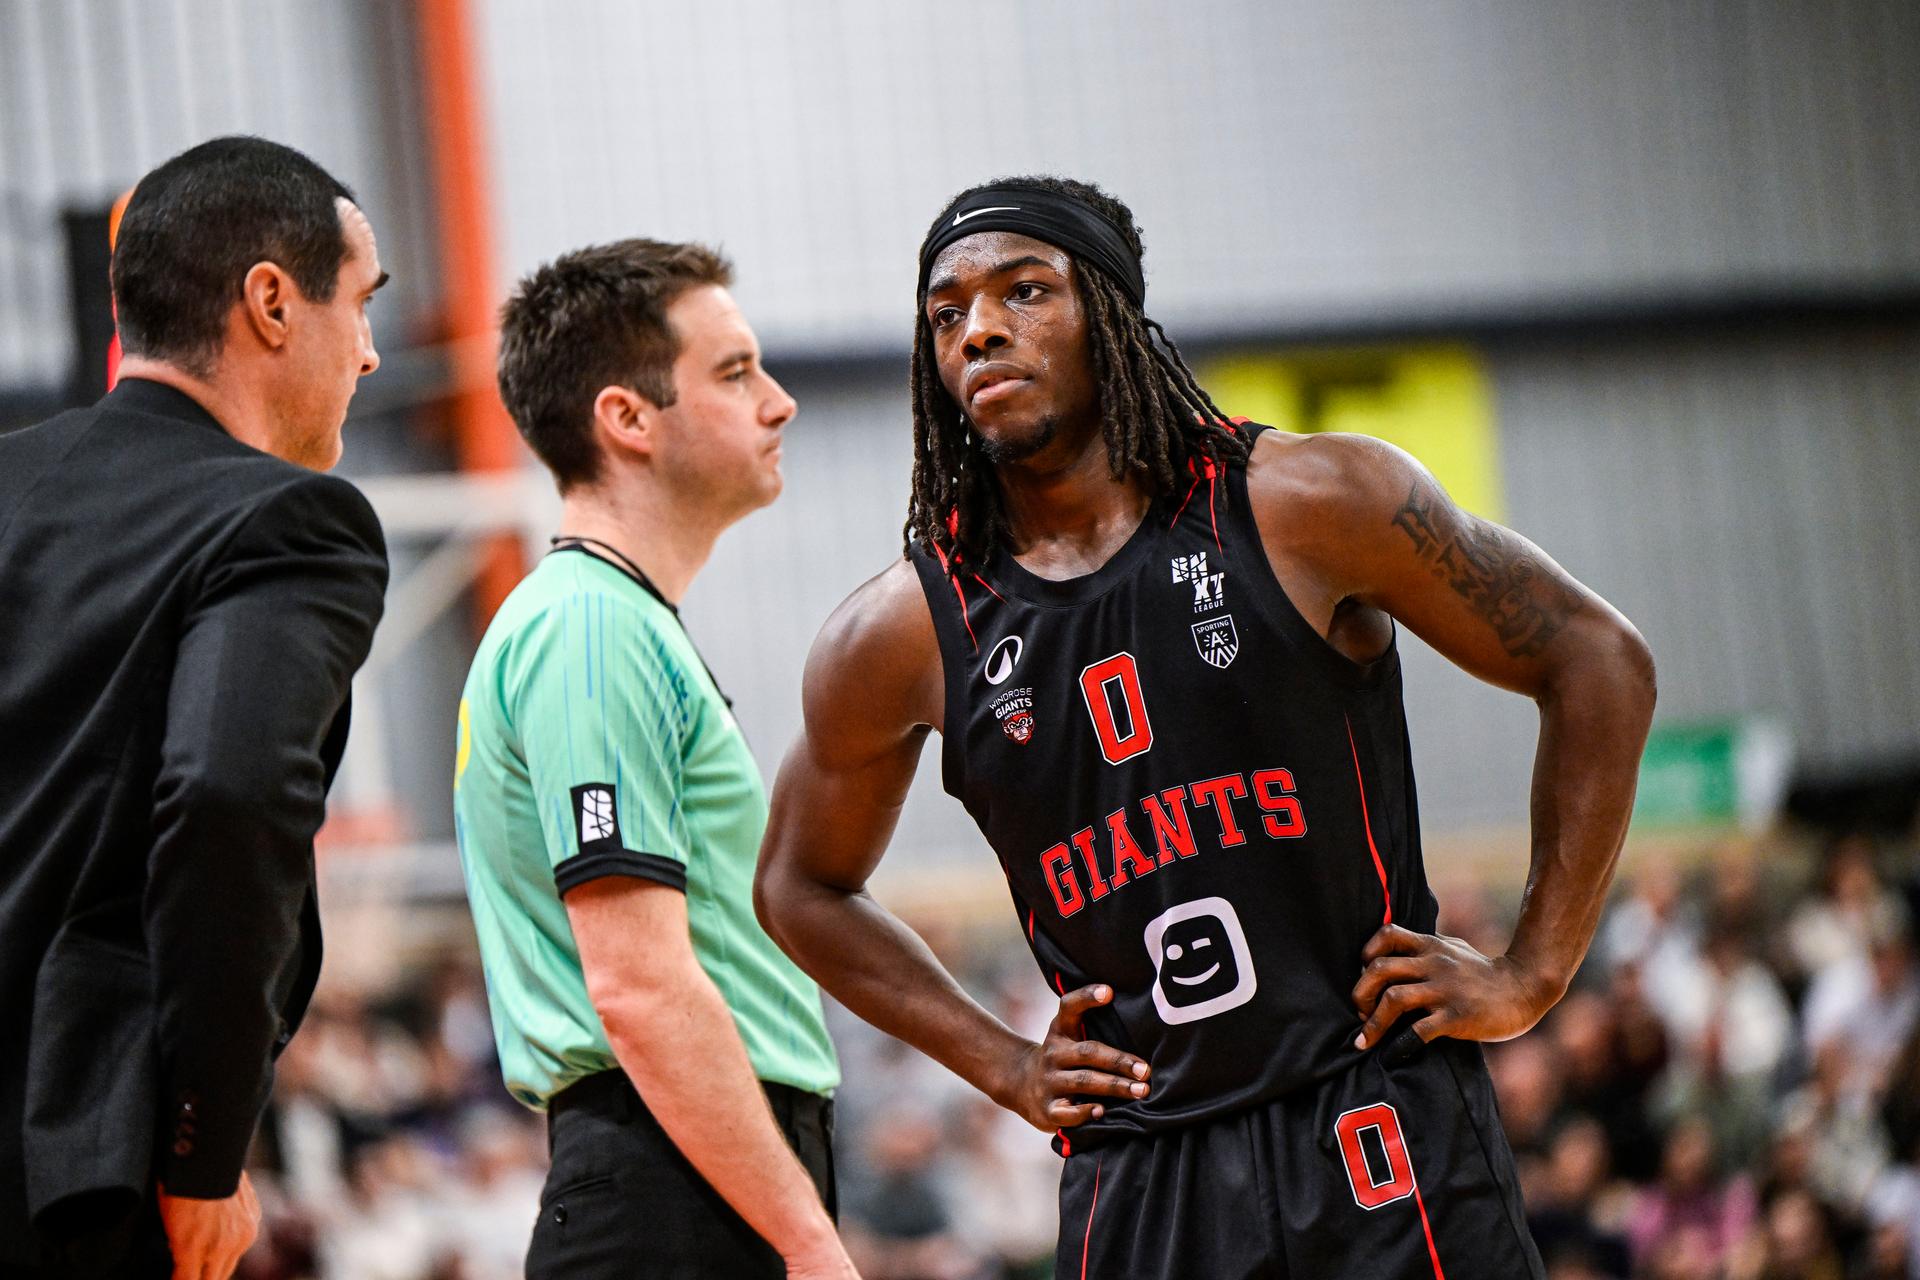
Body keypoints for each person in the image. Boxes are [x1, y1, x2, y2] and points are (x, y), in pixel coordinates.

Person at [756, 176, 1658, 1279]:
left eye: (1024, 291)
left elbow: (1598, 659)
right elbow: (799, 884)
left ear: (1112, 318)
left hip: (1370, 1109)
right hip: (1144, 1162)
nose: (981, 328)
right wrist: (1002, 1063)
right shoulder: (896, 632)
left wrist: (1534, 971)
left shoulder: (1311, 499)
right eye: (947, 314)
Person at [0, 136, 389, 1278]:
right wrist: (204, 1150)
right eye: (361, 305)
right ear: (272, 300)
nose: (369, 354)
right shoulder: (291, 520)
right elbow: (227, 793)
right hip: (74, 1167)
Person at [452, 239, 853, 1279]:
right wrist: (808, 1241)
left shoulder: (621, 620)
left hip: (701, 1169)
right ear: (627, 418)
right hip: (668, 1185)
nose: (780, 402)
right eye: (735, 372)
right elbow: (636, 983)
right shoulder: (590, 628)